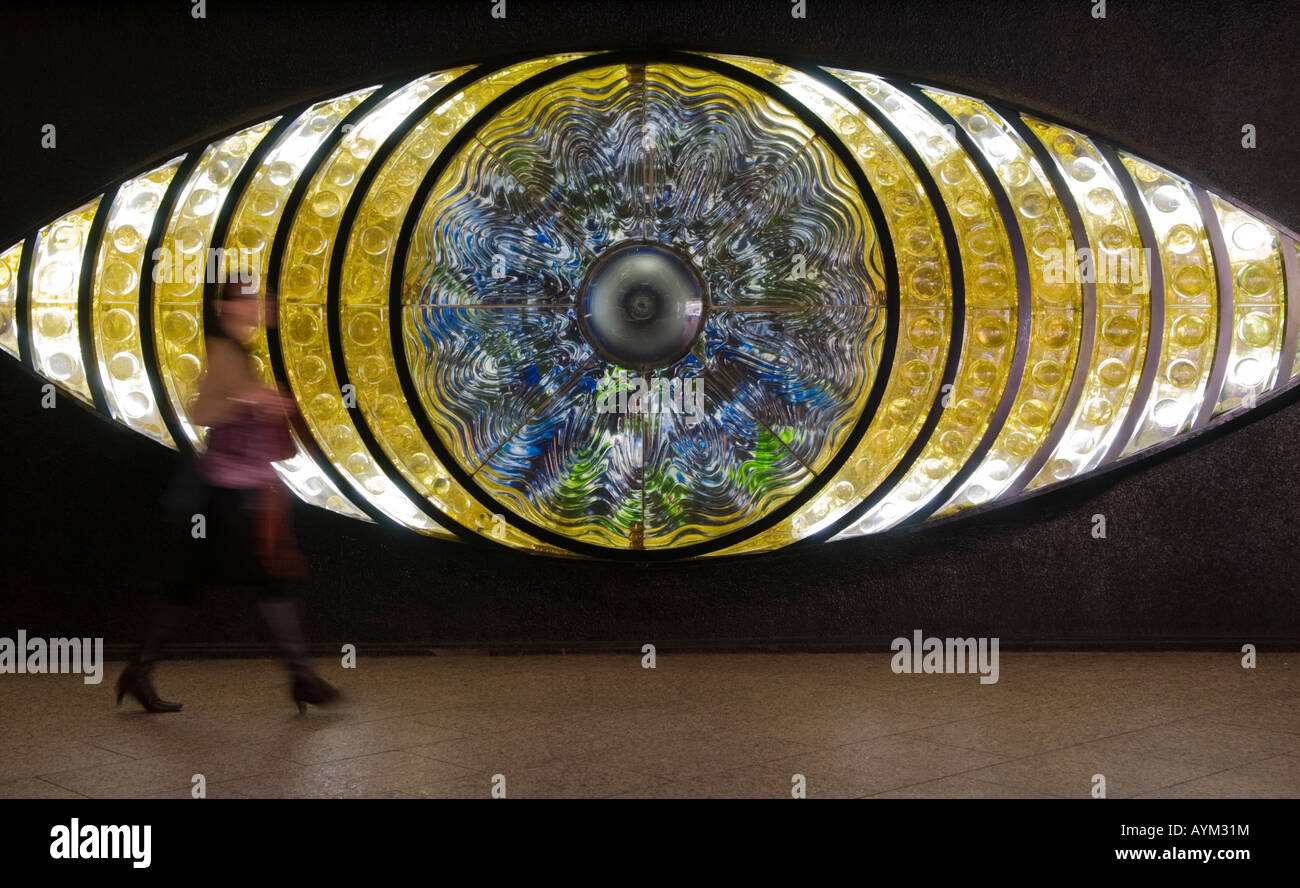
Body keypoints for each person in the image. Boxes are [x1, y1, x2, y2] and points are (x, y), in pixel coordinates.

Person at [116, 275, 340, 714]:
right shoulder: (224, 352)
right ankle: (303, 678)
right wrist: (251, 398)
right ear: (228, 306)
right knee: (269, 582)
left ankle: (138, 672)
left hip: (229, 492)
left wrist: (259, 400)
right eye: (254, 298)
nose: (264, 303)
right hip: (230, 493)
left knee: (187, 585)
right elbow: (202, 412)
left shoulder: (238, 352)